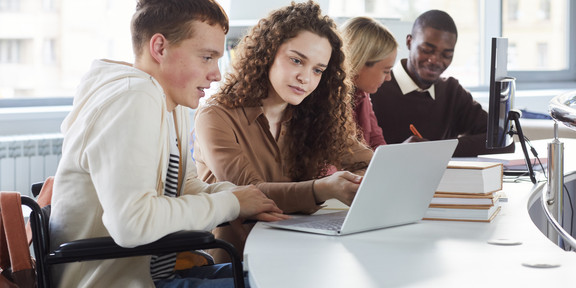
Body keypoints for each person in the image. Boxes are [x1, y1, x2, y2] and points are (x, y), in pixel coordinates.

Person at [48, 0, 287, 287]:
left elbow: (184, 188)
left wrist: (241, 196)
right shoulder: (132, 97)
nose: (217, 74)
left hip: (158, 276)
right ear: (160, 48)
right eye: (207, 57)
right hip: (119, 283)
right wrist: (232, 203)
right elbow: (132, 224)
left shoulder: (168, 102)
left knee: (286, 273)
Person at [193, 1, 373, 263]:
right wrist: (324, 189)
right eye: (296, 60)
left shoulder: (317, 114)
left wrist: (358, 182)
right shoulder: (216, 115)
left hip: (301, 252)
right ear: (267, 53)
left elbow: (365, 163)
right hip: (235, 264)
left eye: (318, 70)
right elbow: (251, 194)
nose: (306, 78)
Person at [370, 9, 515, 157]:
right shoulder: (375, 88)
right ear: (409, 42)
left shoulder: (452, 92)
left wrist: (436, 150)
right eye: (427, 50)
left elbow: (503, 140)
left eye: (446, 55)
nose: (435, 60)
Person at [340, 16, 398, 150]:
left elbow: (376, 142)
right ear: (359, 63)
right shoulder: (325, 98)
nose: (388, 78)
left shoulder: (363, 95)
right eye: (386, 71)